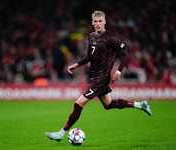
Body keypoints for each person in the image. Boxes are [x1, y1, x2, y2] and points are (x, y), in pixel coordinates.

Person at [45, 10, 152, 142]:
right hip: (94, 76)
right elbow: (90, 56)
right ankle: (141, 105)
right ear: (92, 22)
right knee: (108, 104)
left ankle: (61, 133)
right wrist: (77, 64)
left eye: (100, 21)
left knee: (79, 104)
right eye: (95, 21)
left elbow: (125, 54)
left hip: (101, 78)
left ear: (104, 22)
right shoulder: (91, 37)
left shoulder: (110, 38)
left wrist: (118, 71)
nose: (98, 24)